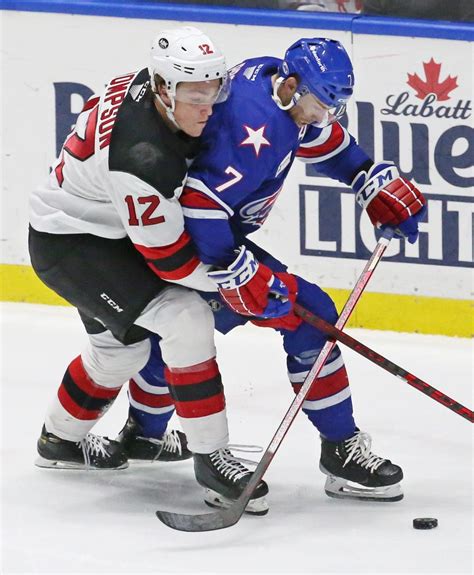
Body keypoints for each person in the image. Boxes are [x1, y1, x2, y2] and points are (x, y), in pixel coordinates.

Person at [118, 37, 426, 512]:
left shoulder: (270, 77)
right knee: (304, 315)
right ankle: (339, 449)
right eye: (320, 103)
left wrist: (366, 175)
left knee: (189, 334)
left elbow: (319, 138)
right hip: (194, 242)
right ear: (293, 84)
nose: (323, 115)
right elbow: (201, 203)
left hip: (205, 239)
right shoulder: (257, 124)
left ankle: (145, 433)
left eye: (333, 105)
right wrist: (234, 270)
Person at [28, 26, 244, 476]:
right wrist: (239, 283)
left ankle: (59, 440)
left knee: (120, 354)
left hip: (100, 229)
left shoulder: (148, 86)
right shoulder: (142, 157)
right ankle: (212, 457)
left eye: (213, 88)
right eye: (193, 94)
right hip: (74, 246)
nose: (207, 105)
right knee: (186, 317)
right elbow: (173, 262)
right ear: (164, 88)